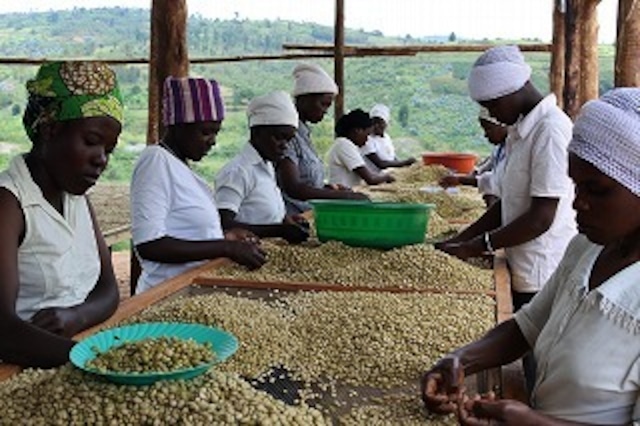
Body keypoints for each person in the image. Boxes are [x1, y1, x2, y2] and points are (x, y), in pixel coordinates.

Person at [421, 87, 640, 426]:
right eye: (576, 185)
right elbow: (528, 326)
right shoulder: (587, 247)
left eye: (596, 189)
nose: (577, 202)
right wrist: (459, 361)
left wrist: (533, 423)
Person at [435, 45, 577, 392]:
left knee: (539, 364)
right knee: (528, 353)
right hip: (521, 263)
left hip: (542, 270)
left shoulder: (550, 130)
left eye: (493, 105)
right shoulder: (519, 132)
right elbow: (507, 205)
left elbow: (541, 217)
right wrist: (459, 241)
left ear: (512, 90)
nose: (492, 114)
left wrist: (478, 245)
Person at [0, 61, 123, 367]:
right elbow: (3, 330)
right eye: (92, 142)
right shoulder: (9, 203)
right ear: (50, 130)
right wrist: (98, 361)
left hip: (77, 353)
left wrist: (76, 316)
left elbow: (108, 290)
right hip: (20, 372)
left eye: (110, 149)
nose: (102, 160)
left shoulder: (77, 198)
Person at [130, 76, 265, 294]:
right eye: (205, 131)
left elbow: (185, 230)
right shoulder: (155, 161)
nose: (212, 140)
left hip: (190, 288)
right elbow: (150, 245)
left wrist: (225, 237)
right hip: (165, 292)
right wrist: (226, 248)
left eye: (216, 132)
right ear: (177, 126)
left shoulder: (179, 165)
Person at [215, 91, 309, 244]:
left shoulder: (267, 166)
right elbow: (224, 223)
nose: (284, 146)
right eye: (279, 137)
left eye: (289, 140)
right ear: (257, 133)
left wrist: (287, 221)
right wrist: (278, 230)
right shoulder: (238, 172)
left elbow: (262, 213)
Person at [276, 63, 368, 215]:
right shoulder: (288, 136)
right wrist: (344, 196)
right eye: (323, 104)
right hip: (295, 216)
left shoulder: (304, 135)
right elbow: (293, 187)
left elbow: (306, 182)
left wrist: (326, 188)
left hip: (310, 213)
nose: (325, 111)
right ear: (304, 99)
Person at [439, 106, 508, 207]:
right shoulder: (499, 149)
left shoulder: (515, 150)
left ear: (502, 125)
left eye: (488, 129)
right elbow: (484, 168)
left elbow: (496, 180)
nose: (485, 135)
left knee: (491, 195)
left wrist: (460, 180)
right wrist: (471, 174)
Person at [327, 108, 395, 188]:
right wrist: (387, 177)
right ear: (357, 131)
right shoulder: (344, 144)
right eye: (367, 135)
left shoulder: (349, 145)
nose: (367, 140)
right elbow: (370, 179)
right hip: (341, 195)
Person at [360, 103, 416, 169]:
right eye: (373, 122)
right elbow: (380, 164)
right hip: (376, 177)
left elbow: (392, 158)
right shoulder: (367, 139)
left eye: (379, 122)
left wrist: (404, 166)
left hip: (389, 174)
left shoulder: (386, 137)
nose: (376, 126)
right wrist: (404, 163)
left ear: (386, 123)